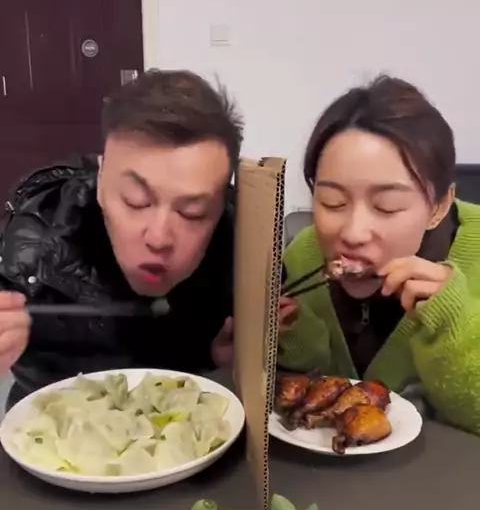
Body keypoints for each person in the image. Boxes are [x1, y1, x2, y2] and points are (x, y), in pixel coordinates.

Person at [0, 69, 243, 408]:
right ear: (100, 182)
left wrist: (216, 361)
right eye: (135, 201)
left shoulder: (240, 249)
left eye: (193, 213)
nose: (158, 237)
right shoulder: (32, 247)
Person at [278, 75, 480, 432]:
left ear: (439, 205)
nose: (353, 233)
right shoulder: (302, 257)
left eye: (386, 206)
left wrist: (452, 325)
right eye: (332, 202)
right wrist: (289, 334)